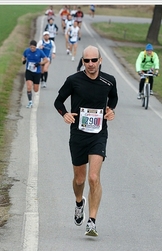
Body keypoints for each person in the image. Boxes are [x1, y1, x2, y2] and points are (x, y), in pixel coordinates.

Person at [54, 45, 118, 237]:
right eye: (86, 60)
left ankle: (92, 221)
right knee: (80, 179)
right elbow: (58, 101)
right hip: (78, 135)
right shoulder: (73, 81)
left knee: (93, 178)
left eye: (94, 60)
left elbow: (113, 99)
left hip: (98, 134)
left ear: (100, 60)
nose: (90, 64)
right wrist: (64, 114)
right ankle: (78, 202)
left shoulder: (109, 81)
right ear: (83, 61)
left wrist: (110, 110)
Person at [22, 40, 48, 108]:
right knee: (28, 87)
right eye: (31, 47)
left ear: (36, 47)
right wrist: (23, 60)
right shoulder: (27, 51)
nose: (32, 49)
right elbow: (23, 57)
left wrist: (39, 63)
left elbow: (46, 60)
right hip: (29, 71)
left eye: (33, 47)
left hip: (37, 72)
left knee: (36, 89)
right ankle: (30, 102)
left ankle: (35, 83)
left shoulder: (39, 52)